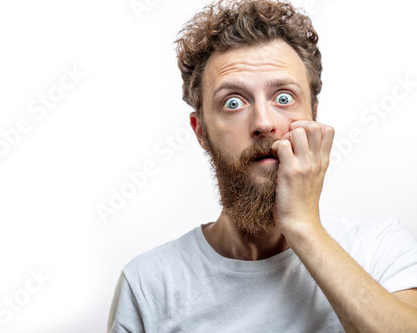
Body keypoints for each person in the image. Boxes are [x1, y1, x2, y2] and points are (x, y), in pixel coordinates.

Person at [107, 0, 417, 331]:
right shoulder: (147, 282)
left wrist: (302, 226)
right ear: (201, 132)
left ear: (313, 114)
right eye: (233, 102)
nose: (264, 123)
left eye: (283, 98)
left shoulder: (378, 249)